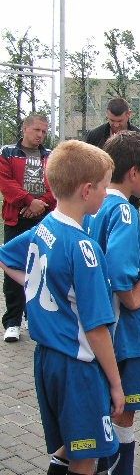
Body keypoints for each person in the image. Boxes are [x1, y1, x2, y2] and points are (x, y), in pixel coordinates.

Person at [0, 140, 123, 475]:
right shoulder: (83, 248)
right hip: (76, 365)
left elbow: (7, 256)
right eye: (104, 186)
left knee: (71, 445)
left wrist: (35, 284)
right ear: (87, 190)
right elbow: (96, 328)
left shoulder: (45, 227)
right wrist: (115, 383)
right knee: (86, 457)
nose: (107, 192)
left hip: (46, 359)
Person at [86, 131, 140, 475]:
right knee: (125, 410)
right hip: (127, 334)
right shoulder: (125, 212)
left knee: (107, 407)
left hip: (102, 329)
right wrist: (130, 297)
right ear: (133, 173)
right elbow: (117, 266)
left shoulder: (95, 206)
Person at [0, 113, 56, 343]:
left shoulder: (51, 156)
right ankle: (12, 321)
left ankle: (33, 316)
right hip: (16, 219)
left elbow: (56, 183)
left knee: (42, 268)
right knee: (14, 267)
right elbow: (5, 182)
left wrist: (40, 204)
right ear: (25, 128)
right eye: (37, 130)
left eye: (44, 131)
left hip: (43, 218)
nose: (41, 135)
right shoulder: (7, 153)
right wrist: (28, 201)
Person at [86, 98, 140, 208]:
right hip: (100, 198)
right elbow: (87, 167)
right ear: (107, 114)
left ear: (128, 114)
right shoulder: (95, 136)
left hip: (129, 199)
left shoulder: (139, 138)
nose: (116, 125)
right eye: (112, 120)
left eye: (120, 121)